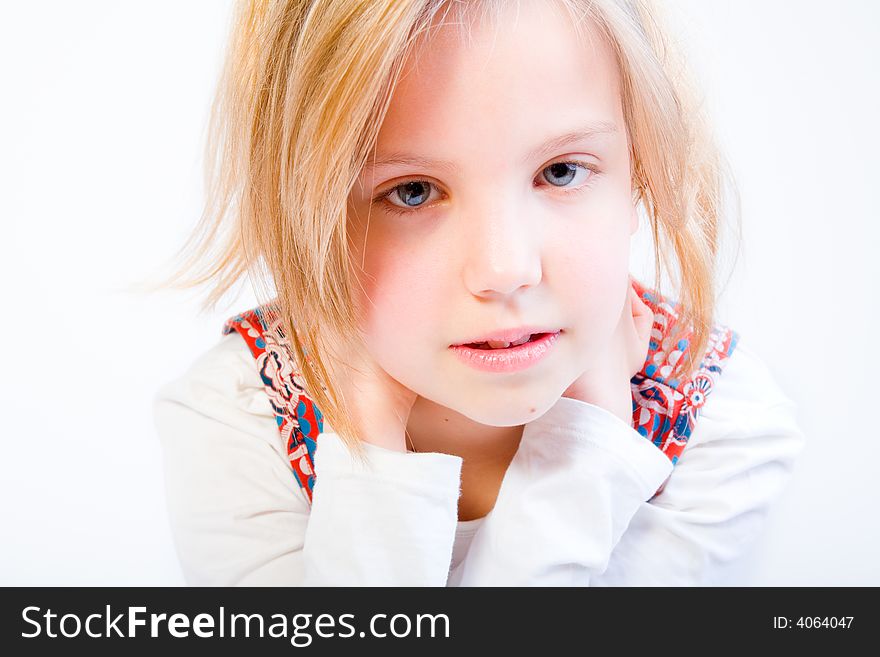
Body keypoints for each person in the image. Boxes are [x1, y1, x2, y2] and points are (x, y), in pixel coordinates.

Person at [152, 0, 804, 586]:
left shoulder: (722, 425)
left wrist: (586, 447)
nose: (504, 268)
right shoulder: (239, 420)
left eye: (560, 171)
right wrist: (369, 445)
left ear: (642, 171)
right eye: (411, 191)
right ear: (303, 212)